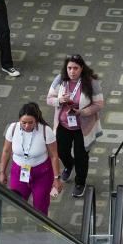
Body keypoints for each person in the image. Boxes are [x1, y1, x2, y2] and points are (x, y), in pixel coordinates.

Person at [46, 54, 104, 199]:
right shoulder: (60, 79)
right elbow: (49, 99)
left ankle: (80, 183)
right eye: (69, 68)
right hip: (64, 124)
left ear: (81, 68)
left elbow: (99, 104)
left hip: (82, 127)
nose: (72, 71)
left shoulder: (91, 82)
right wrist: (59, 100)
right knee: (60, 151)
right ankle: (69, 165)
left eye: (75, 68)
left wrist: (82, 112)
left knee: (81, 157)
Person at [0, 103, 63, 216]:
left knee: (40, 207)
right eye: (23, 122)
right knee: (17, 202)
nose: (27, 126)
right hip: (19, 172)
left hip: (42, 174)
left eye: (30, 122)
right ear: (19, 120)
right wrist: (2, 172)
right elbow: (6, 151)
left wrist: (57, 178)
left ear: (36, 120)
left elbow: (54, 156)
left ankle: (41, 229)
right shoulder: (13, 128)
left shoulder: (45, 131)